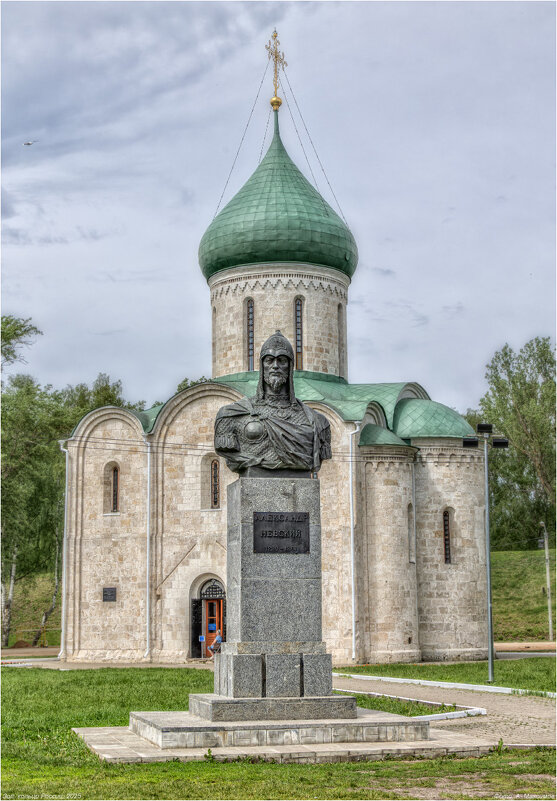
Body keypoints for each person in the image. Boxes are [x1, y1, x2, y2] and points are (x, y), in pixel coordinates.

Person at [214, 331, 331, 476]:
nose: (275, 366)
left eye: (282, 360)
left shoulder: (317, 421)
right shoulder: (231, 415)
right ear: (262, 366)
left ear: (290, 366)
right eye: (269, 360)